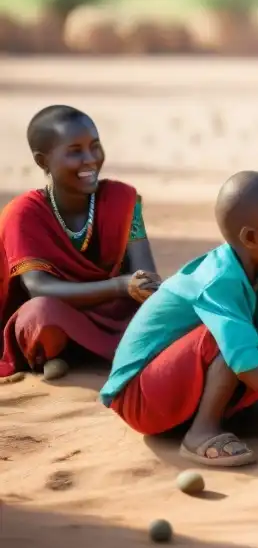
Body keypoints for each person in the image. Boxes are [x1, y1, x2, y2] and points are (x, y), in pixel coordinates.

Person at [99, 170, 258, 468]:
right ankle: (201, 431)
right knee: (226, 339)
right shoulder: (218, 281)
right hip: (142, 399)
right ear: (251, 238)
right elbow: (242, 361)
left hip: (177, 385)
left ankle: (239, 412)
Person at [0, 105, 161, 380]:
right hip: (60, 313)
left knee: (166, 311)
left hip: (115, 312)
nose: (90, 159)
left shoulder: (122, 200)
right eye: (75, 151)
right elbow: (39, 287)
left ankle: (98, 352)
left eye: (95, 146)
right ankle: (58, 355)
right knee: (39, 315)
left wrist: (146, 288)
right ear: (43, 161)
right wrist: (120, 286)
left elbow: (145, 275)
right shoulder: (24, 212)